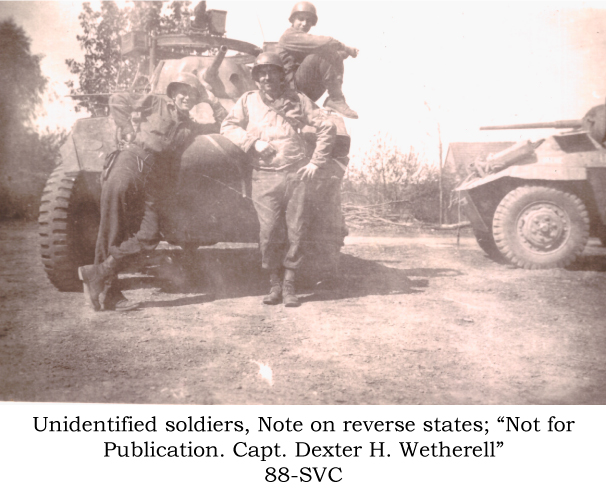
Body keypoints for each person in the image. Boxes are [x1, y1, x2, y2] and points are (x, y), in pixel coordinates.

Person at [79, 72, 228, 312]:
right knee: (113, 225)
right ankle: (110, 293)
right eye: (183, 92)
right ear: (173, 92)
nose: (187, 97)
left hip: (154, 177)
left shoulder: (190, 126)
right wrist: (127, 128)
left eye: (192, 95)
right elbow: (118, 99)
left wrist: (212, 101)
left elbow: (224, 124)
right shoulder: (155, 102)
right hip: (131, 160)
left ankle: (97, 273)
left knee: (149, 234)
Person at [220, 52, 336, 307]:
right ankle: (274, 284)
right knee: (269, 232)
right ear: (255, 78)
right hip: (263, 176)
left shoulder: (298, 100)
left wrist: (316, 161)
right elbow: (227, 127)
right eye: (261, 74)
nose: (266, 77)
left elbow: (328, 126)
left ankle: (290, 285)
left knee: (297, 231)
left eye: (272, 72)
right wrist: (253, 143)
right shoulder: (247, 100)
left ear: (280, 75)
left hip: (296, 175)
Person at [277, 1, 359, 119]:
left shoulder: (300, 41)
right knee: (325, 52)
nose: (305, 23)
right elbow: (325, 42)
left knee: (332, 54)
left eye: (308, 20)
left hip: (302, 92)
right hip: (290, 92)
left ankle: (335, 100)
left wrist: (340, 54)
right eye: (301, 19)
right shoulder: (288, 36)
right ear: (293, 20)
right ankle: (336, 99)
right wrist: (346, 48)